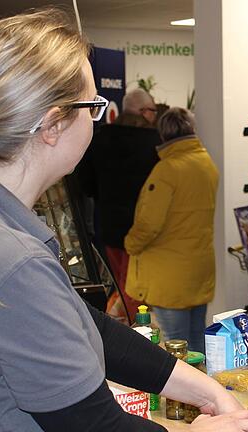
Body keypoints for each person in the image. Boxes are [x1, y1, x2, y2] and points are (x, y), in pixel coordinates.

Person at [0, 9, 248, 432]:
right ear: (52, 125)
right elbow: (91, 424)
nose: (95, 120)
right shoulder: (10, 259)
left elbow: (85, 326)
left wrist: (202, 389)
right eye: (93, 106)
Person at [124, 107, 219, 353]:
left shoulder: (167, 170)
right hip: (198, 268)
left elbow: (149, 224)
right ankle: (203, 389)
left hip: (170, 275)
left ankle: (182, 393)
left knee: (174, 344)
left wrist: (130, 244)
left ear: (163, 134)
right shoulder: (206, 163)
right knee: (198, 341)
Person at [76, 88, 161, 323]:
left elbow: (86, 183)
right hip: (144, 229)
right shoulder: (154, 142)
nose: (155, 115)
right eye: (153, 110)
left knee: (120, 284)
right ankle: (136, 336)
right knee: (136, 288)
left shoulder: (100, 138)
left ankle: (121, 330)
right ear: (144, 111)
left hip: (109, 226)